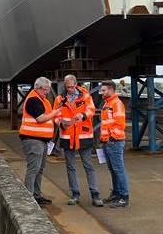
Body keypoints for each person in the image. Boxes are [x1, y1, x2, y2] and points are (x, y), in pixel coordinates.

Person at [53, 75, 103, 207]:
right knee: (70, 167)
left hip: (83, 136)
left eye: (72, 86)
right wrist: (61, 123)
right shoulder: (60, 99)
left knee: (88, 165)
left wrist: (83, 115)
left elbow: (91, 109)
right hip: (67, 136)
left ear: (76, 84)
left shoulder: (85, 96)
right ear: (65, 85)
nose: (70, 89)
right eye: (67, 87)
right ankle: (75, 194)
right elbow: (56, 115)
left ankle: (95, 194)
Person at [19, 77, 62, 206]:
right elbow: (41, 118)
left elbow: (47, 118)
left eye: (48, 89)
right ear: (38, 88)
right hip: (33, 140)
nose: (47, 92)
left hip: (41, 141)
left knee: (40, 168)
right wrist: (55, 112)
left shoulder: (42, 100)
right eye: (45, 89)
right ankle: (29, 198)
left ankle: (36, 195)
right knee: (34, 168)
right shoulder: (33, 100)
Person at [99, 80, 129, 207]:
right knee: (113, 170)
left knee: (118, 170)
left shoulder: (116, 104)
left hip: (114, 142)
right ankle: (116, 194)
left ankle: (124, 197)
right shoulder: (108, 104)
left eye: (104, 90)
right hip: (108, 142)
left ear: (111, 90)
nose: (102, 92)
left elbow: (120, 124)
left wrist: (112, 138)